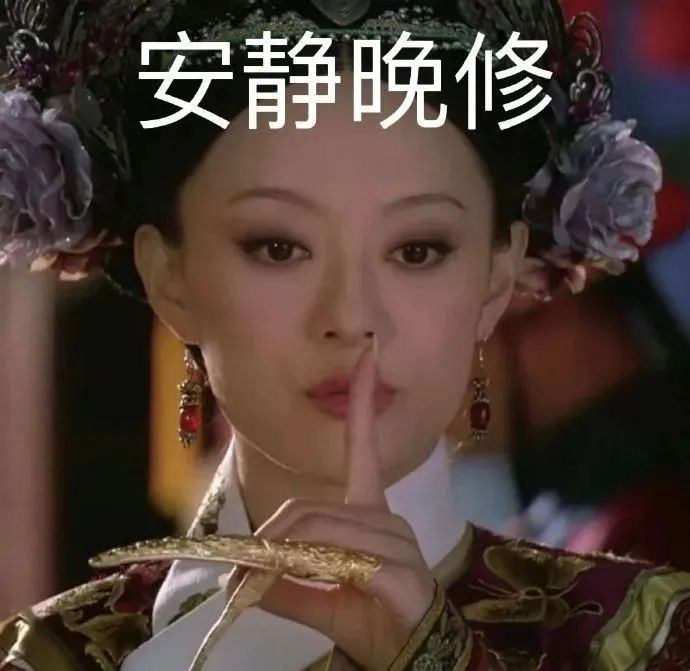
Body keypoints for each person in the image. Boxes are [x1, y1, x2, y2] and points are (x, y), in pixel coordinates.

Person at [0, 0, 682, 669]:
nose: (352, 316)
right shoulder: (55, 655)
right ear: (170, 279)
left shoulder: (645, 635)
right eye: (277, 247)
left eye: (417, 250)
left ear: (495, 282)